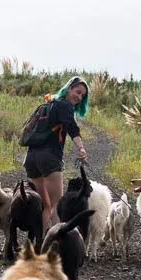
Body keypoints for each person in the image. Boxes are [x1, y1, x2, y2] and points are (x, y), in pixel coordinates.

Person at [24, 75, 90, 230]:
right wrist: (81, 148)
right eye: (77, 91)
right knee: (57, 205)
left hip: (31, 158)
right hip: (49, 158)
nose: (79, 97)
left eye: (82, 95)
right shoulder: (65, 105)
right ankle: (59, 244)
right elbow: (72, 128)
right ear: (69, 88)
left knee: (45, 205)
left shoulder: (49, 104)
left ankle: (42, 243)